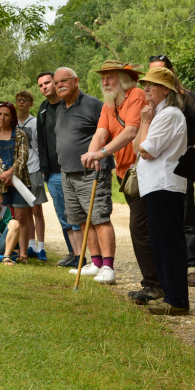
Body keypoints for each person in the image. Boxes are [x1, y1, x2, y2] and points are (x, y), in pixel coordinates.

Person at [80, 61, 147, 289]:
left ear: (123, 78)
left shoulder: (136, 94)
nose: (105, 82)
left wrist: (101, 153)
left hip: (142, 169)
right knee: (140, 227)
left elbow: (131, 131)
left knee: (141, 228)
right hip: (124, 172)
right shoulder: (108, 105)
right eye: (103, 78)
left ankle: (154, 281)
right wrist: (91, 155)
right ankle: (152, 280)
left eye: (110, 77)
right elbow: (101, 133)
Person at [147, 55, 195, 287]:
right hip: (156, 168)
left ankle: (192, 266)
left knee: (186, 216)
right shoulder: (150, 101)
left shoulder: (185, 97)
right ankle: (166, 270)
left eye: (161, 72)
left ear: (171, 73)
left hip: (182, 164)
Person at [134, 67, 190, 316]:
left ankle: (177, 299)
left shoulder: (169, 115)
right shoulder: (160, 114)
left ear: (165, 91)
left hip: (165, 185)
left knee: (168, 244)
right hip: (157, 186)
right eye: (145, 84)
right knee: (161, 243)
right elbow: (139, 146)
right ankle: (171, 295)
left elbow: (146, 150)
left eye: (150, 85)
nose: (145, 88)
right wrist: (146, 123)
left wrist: (145, 122)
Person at [52, 68, 116, 284]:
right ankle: (96, 263)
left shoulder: (93, 104)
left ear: (76, 81)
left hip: (92, 172)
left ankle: (108, 266)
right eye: (56, 82)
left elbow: (110, 131)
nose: (59, 85)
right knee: (81, 221)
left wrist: (102, 158)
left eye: (64, 81)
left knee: (99, 218)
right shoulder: (60, 107)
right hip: (68, 172)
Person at [36, 71, 81, 267]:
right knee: (62, 213)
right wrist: (44, 167)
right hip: (53, 171)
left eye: (48, 83)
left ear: (55, 84)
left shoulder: (68, 105)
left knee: (77, 213)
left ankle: (85, 256)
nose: (45, 87)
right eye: (41, 85)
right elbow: (42, 142)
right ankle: (73, 253)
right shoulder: (43, 110)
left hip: (73, 168)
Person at [0, 101, 31, 261]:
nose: (2, 117)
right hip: (0, 185)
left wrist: (11, 172)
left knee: (21, 218)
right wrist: (3, 176)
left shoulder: (20, 135)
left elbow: (23, 157)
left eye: (6, 114)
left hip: (20, 182)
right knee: (6, 219)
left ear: (12, 117)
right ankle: (10, 252)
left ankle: (24, 254)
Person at [16, 90, 50, 260]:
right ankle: (30, 245)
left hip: (34, 168)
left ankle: (41, 247)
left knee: (37, 209)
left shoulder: (36, 122)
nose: (22, 102)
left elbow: (42, 145)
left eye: (25, 100)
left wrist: (44, 167)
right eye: (19, 100)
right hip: (18, 172)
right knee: (25, 210)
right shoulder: (11, 122)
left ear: (30, 103)